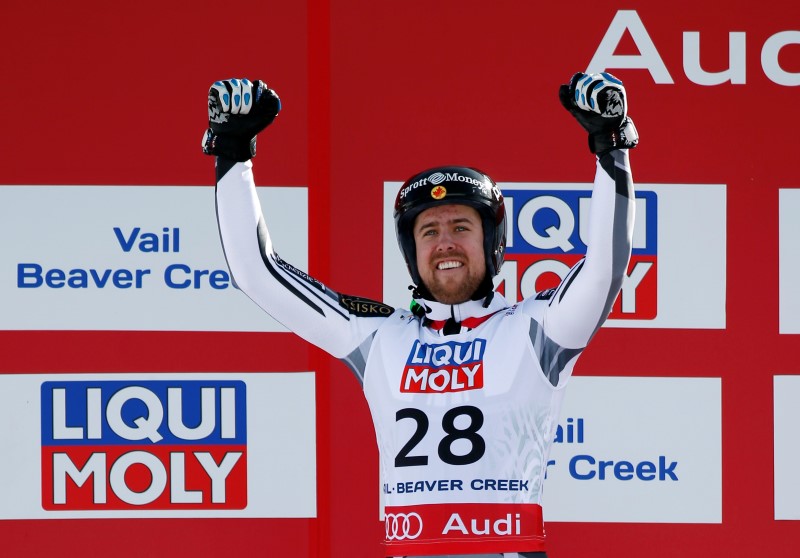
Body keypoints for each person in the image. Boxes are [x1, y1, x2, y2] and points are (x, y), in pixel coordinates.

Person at [202, 72, 638, 558]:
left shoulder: (536, 329)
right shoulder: (376, 336)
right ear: (411, 250)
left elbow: (603, 270)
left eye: (461, 226)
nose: (445, 242)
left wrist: (611, 146)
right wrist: (233, 152)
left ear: (492, 243)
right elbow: (255, 272)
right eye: (428, 230)